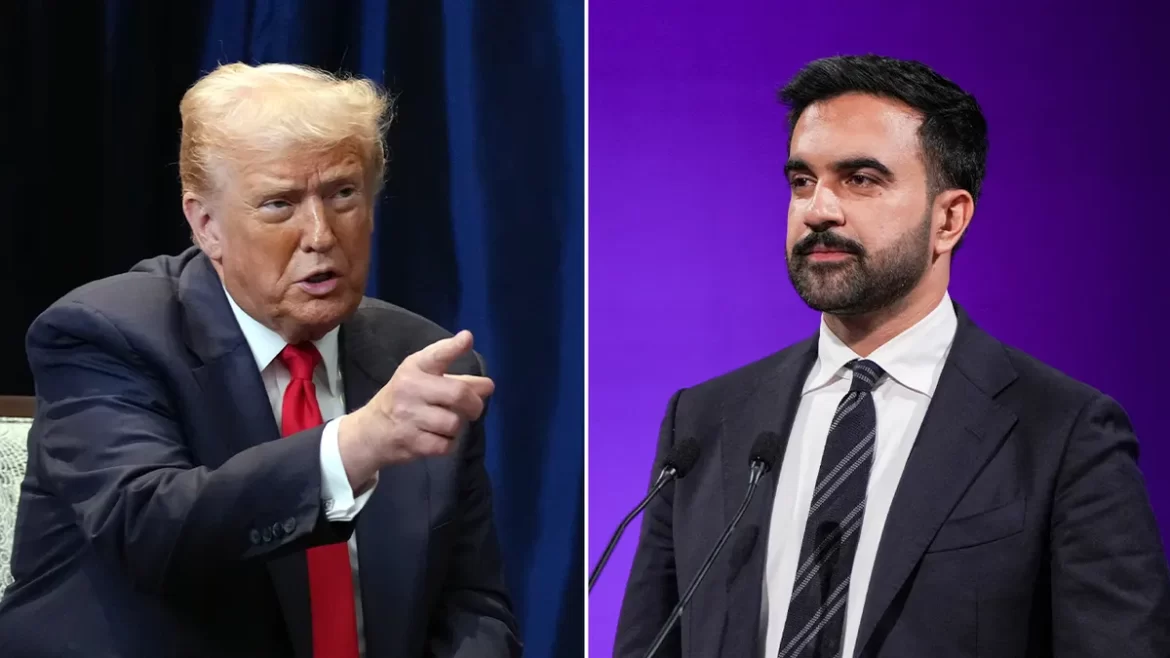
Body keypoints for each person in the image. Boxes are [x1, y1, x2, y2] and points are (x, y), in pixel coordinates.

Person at [613, 54, 1170, 658]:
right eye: (803, 180)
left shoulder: (1064, 435)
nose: (818, 210)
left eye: (861, 179)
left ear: (949, 218)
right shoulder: (703, 422)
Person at [0, 62, 520, 657]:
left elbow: (472, 606)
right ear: (206, 225)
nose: (321, 234)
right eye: (279, 204)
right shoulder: (105, 335)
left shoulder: (424, 361)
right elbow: (153, 528)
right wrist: (354, 446)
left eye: (343, 193)